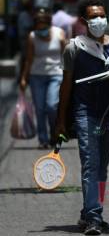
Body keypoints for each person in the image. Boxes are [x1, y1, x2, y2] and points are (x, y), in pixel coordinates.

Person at [54, 0, 109, 235]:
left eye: (102, 15)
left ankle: (89, 211)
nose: (99, 20)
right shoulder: (74, 48)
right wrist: (61, 121)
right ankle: (94, 217)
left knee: (102, 167)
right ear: (84, 21)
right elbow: (66, 86)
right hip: (85, 114)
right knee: (90, 165)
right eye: (94, 17)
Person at [19, 9, 66, 149]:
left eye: (43, 26)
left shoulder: (59, 33)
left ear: (48, 24)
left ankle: (54, 133)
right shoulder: (32, 36)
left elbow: (67, 56)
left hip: (56, 74)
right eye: (38, 25)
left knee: (51, 106)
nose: (41, 29)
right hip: (36, 76)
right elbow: (29, 59)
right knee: (39, 109)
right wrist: (24, 78)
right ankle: (43, 140)